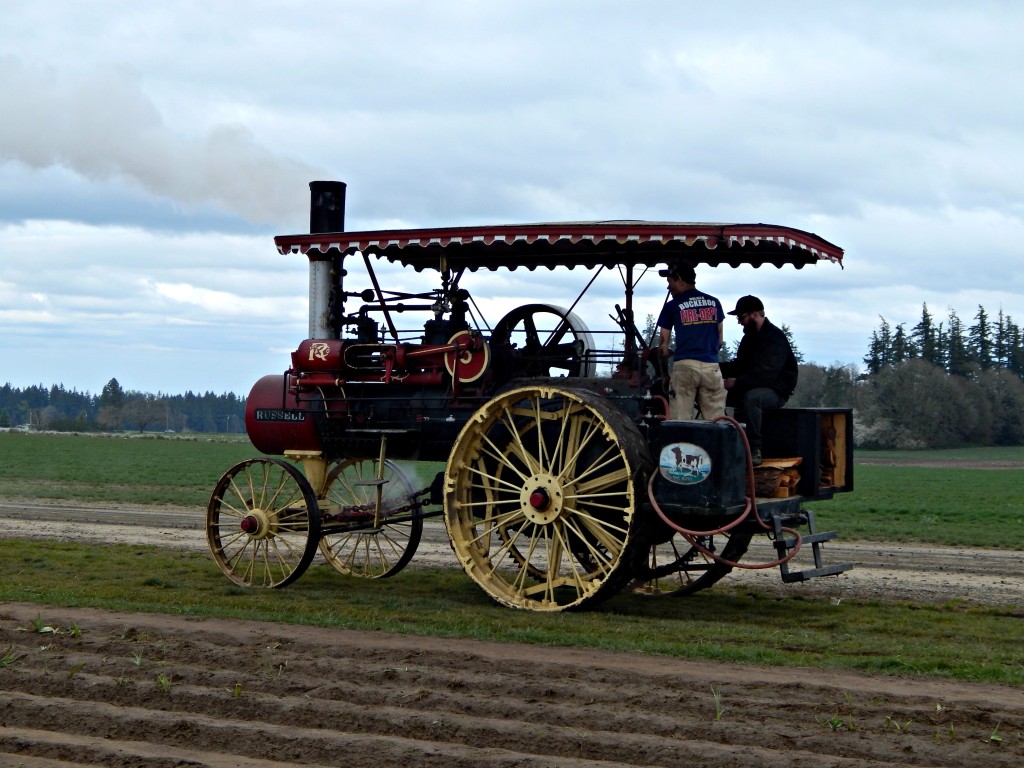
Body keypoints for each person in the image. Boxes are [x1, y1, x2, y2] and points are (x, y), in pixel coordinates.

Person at [720, 295, 798, 466]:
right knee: (715, 396)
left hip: (776, 391)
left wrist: (737, 383)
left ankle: (755, 449)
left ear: (754, 315)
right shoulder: (749, 338)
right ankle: (724, 443)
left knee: (752, 398)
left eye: (741, 317)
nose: (739, 322)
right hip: (751, 386)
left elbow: (766, 374)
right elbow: (739, 365)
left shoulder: (775, 338)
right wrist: (713, 367)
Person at [656, 263, 726, 420]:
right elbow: (720, 340)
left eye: (670, 282)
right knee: (716, 422)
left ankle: (684, 444)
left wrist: (664, 375)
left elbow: (663, 347)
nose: (669, 288)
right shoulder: (714, 303)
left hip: (684, 368)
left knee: (680, 422)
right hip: (711, 369)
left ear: (680, 280)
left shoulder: (671, 306)